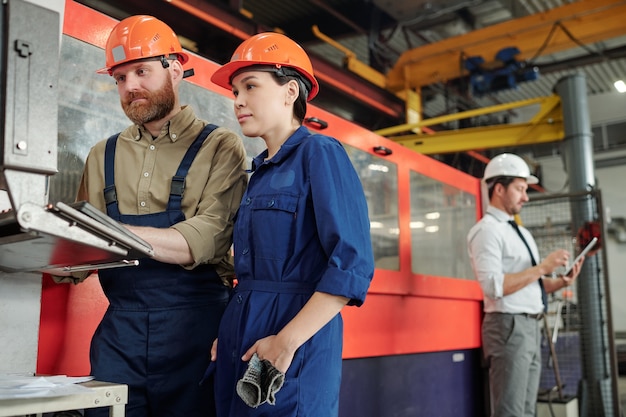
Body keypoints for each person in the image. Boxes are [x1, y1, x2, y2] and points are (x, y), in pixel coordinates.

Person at [54, 15, 247, 417]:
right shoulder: (101, 154)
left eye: (141, 71)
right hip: (118, 337)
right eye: (120, 78)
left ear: (175, 71)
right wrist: (33, 235)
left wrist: (109, 231)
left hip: (198, 334)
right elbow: (74, 258)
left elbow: (208, 236)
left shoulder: (220, 146)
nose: (130, 87)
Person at [206, 32, 375, 416]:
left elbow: (352, 263)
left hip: (294, 341)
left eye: (250, 86)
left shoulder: (320, 153)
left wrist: (286, 341)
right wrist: (230, 333)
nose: (238, 100)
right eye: (235, 91)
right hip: (243, 337)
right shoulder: (260, 173)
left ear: (290, 92)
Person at [467, 153, 585, 417]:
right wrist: (543, 267)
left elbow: (531, 283)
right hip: (509, 326)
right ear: (499, 188)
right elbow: (493, 286)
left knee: (527, 409)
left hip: (530, 326)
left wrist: (558, 282)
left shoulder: (518, 232)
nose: (526, 196)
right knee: (511, 411)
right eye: (520, 189)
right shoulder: (487, 231)